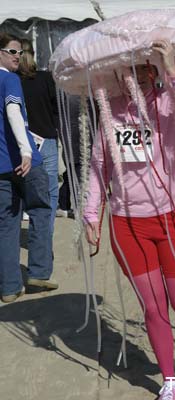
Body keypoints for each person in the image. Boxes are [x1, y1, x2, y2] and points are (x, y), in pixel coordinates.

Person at [84, 39, 175, 400]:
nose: (137, 74)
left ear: (153, 70)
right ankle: (169, 381)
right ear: (119, 72)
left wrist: (173, 69)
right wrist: (91, 213)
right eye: (129, 68)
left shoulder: (171, 100)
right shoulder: (110, 113)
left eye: (145, 67)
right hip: (129, 224)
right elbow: (98, 165)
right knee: (154, 306)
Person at [0, 33, 58, 304]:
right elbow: (13, 111)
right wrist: (25, 150)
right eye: (12, 51)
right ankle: (38, 272)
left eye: (20, 52)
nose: (17, 56)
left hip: (1, 166)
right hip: (24, 160)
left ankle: (10, 286)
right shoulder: (10, 79)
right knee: (42, 211)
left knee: (7, 224)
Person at [18, 38, 59, 233]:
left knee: (20, 189)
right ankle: (45, 235)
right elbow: (56, 109)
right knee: (49, 190)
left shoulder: (11, 80)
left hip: (20, 142)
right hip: (46, 140)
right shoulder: (45, 78)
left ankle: (18, 232)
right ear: (34, 54)